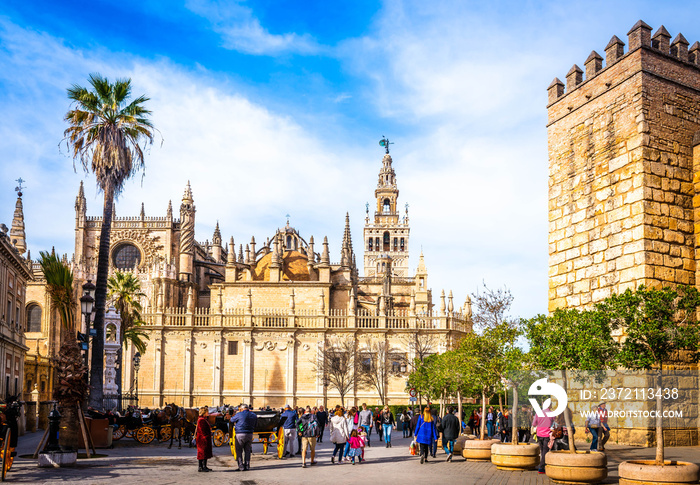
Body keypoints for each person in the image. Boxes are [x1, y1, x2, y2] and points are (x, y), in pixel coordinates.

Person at [229, 403, 257, 471]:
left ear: (242, 409)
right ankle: (247, 465)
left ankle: (241, 466)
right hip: (249, 434)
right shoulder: (253, 415)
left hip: (240, 434)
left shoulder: (239, 414)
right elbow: (256, 424)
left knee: (239, 450)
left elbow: (232, 420)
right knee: (247, 450)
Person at [533, 406, 555, 474]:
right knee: (545, 451)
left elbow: (534, 424)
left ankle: (543, 465)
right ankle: (541, 468)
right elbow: (554, 424)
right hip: (547, 435)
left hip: (539, 434)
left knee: (543, 451)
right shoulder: (551, 414)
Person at [195, 406, 213, 472]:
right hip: (203, 439)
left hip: (203, 439)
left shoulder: (203, 419)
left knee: (204, 453)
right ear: (204, 412)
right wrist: (207, 435)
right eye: (207, 412)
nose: (208, 413)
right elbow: (202, 430)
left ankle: (204, 466)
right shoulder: (202, 420)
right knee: (202, 453)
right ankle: (200, 467)